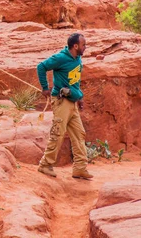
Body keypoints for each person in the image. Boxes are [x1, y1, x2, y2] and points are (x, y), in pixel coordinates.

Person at [36, 33, 93, 180]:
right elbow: (41, 67)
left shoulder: (78, 59)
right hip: (61, 101)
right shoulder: (60, 58)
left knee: (79, 134)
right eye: (83, 45)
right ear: (75, 46)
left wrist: (79, 97)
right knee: (58, 133)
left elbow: (75, 81)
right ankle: (45, 164)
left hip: (72, 102)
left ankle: (80, 168)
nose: (85, 47)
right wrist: (45, 88)